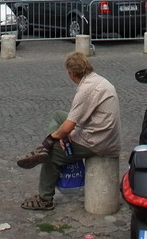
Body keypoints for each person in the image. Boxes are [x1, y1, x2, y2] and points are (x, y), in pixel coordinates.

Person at [16, 51, 121, 211]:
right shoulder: (98, 80)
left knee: (53, 154)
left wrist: (55, 136)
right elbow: (69, 123)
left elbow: (68, 126)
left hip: (98, 142)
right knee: (59, 115)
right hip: (102, 132)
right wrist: (64, 135)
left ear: (71, 73)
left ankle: (45, 198)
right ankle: (44, 147)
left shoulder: (86, 90)